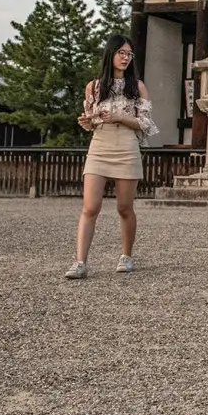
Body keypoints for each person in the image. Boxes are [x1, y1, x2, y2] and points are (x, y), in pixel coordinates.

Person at [65, 35, 159, 279]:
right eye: (121, 53)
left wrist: (120, 118)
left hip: (127, 146)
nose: (126, 57)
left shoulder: (137, 87)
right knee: (90, 206)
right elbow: (92, 119)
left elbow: (146, 124)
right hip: (100, 145)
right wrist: (87, 121)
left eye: (129, 53)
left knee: (124, 207)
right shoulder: (94, 87)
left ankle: (126, 256)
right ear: (110, 54)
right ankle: (80, 262)